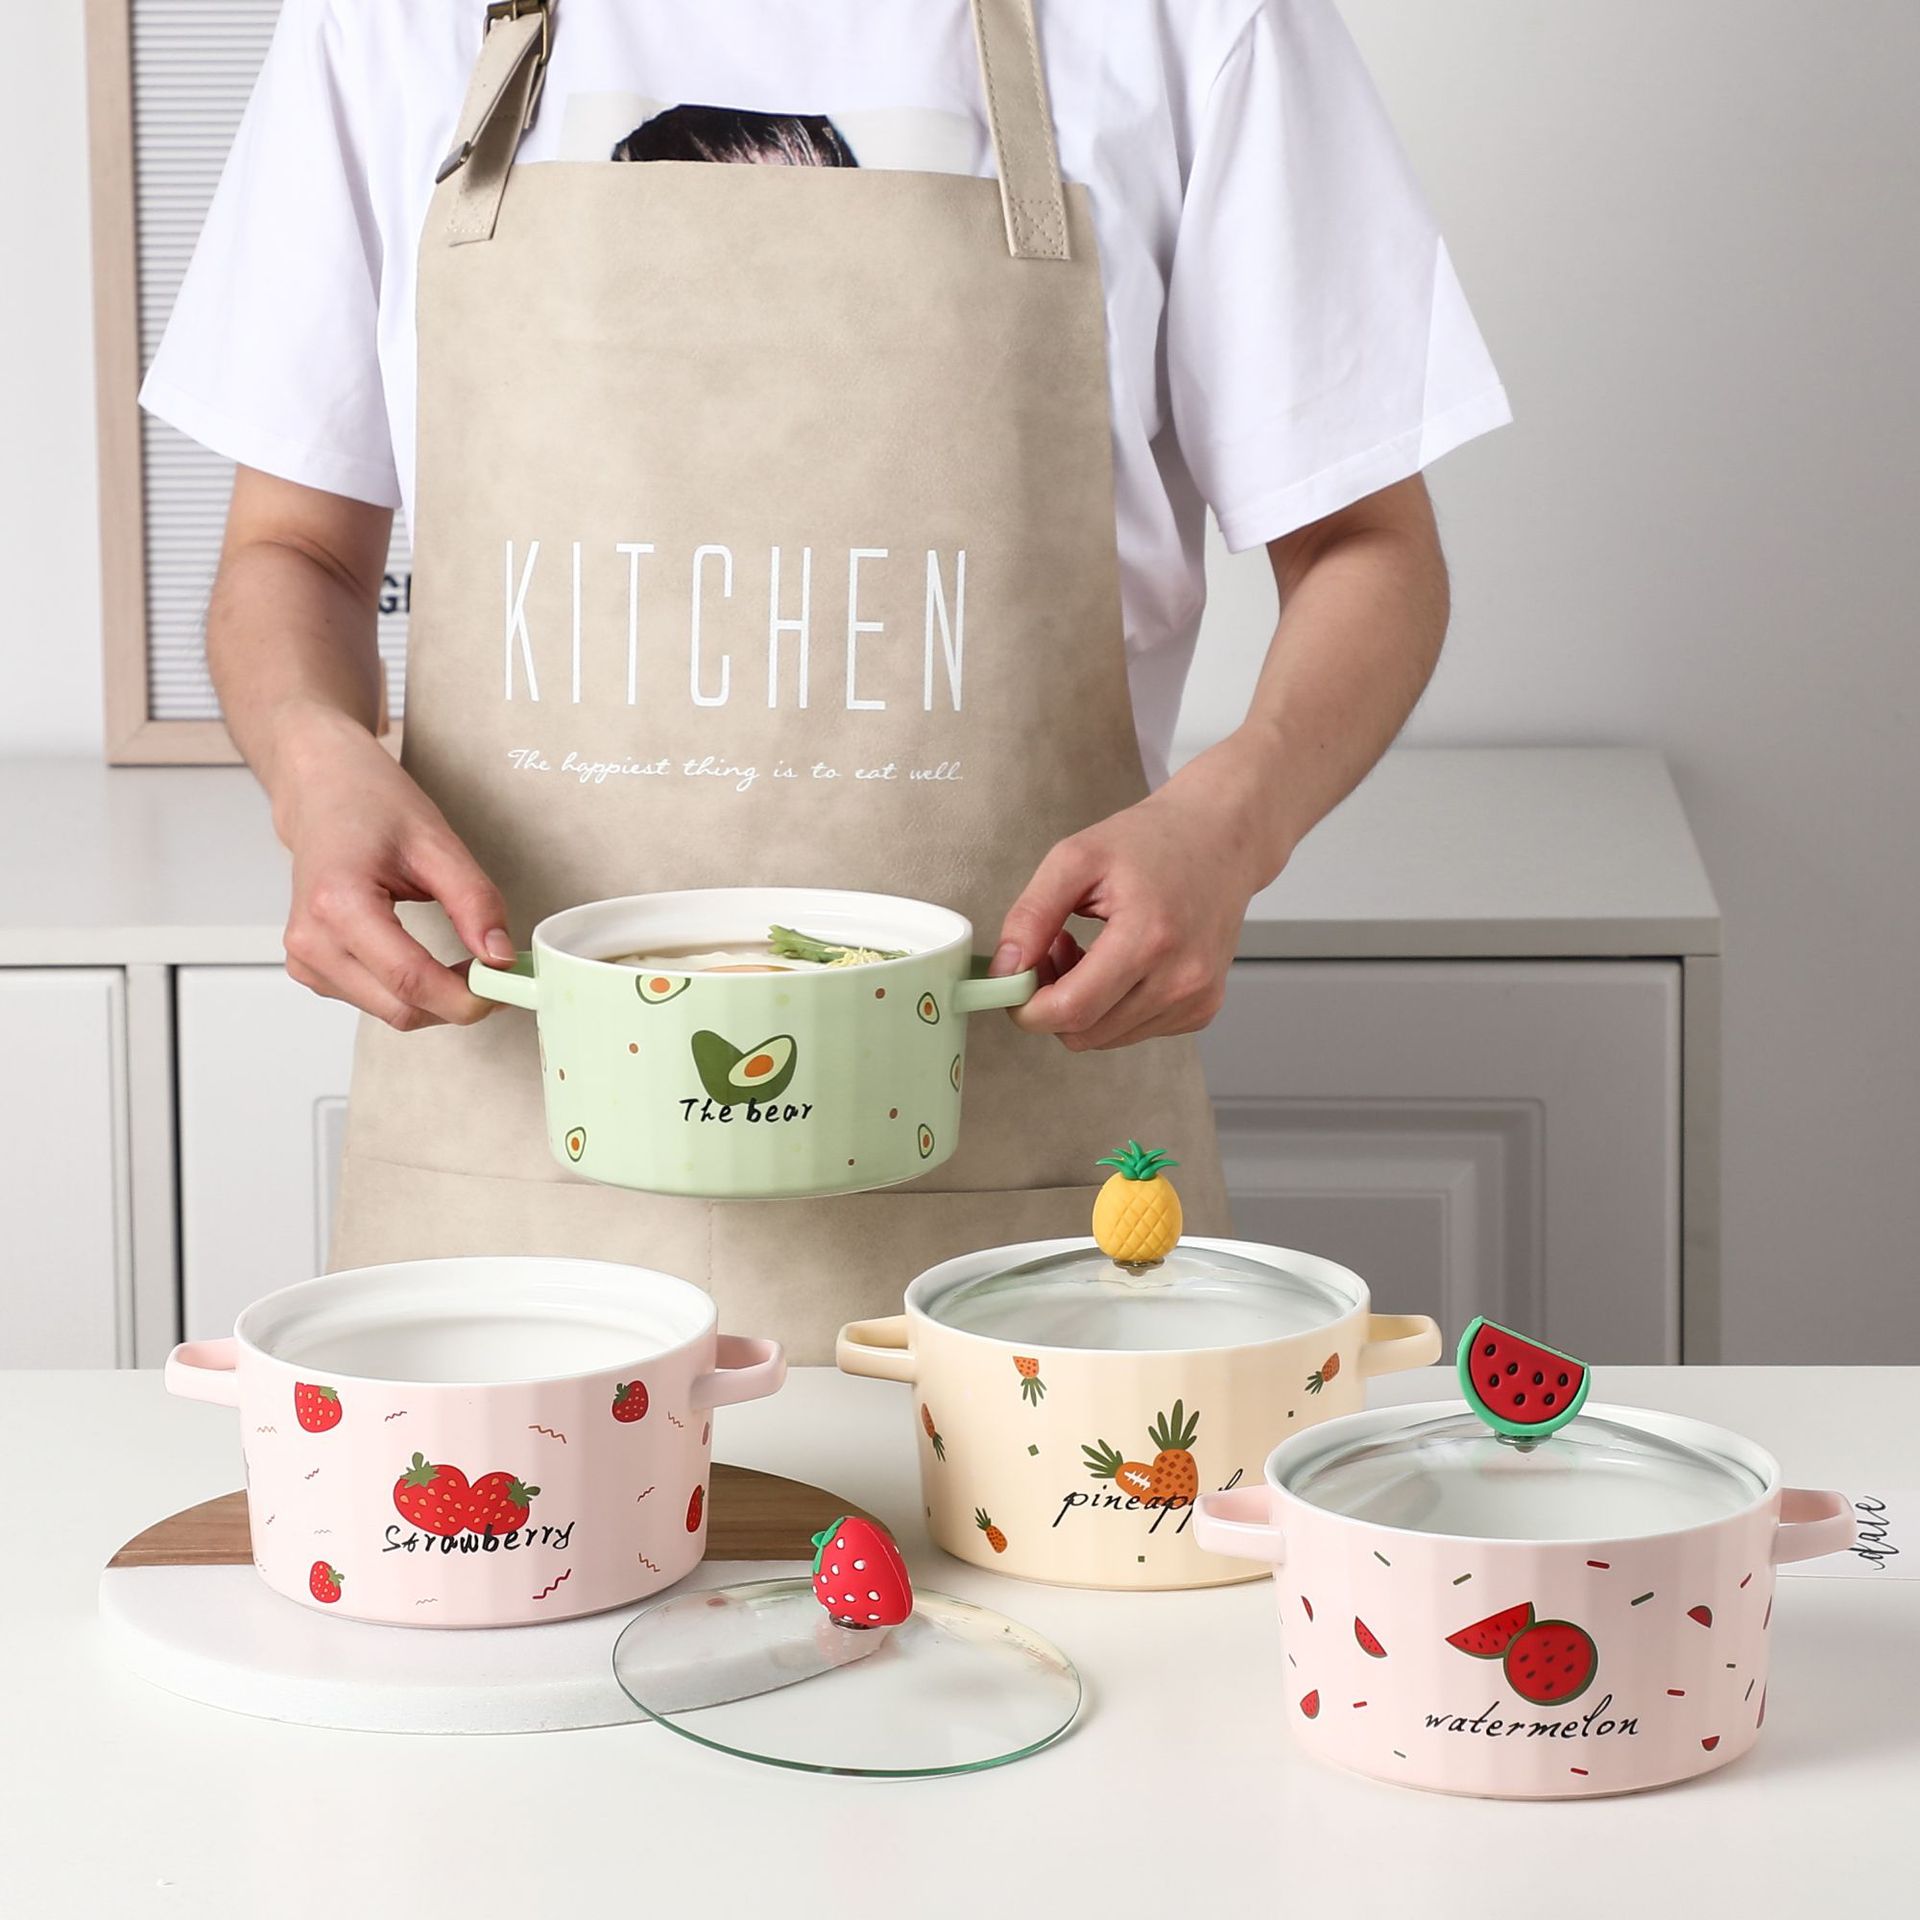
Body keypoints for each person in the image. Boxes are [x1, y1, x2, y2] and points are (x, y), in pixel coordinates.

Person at [143, 0, 1507, 1359]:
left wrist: (1233, 824)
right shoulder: (384, 22)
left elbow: (1366, 548)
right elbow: (293, 552)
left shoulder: (1194, 21)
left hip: (1010, 1137)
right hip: (509, 1148)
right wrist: (315, 768)